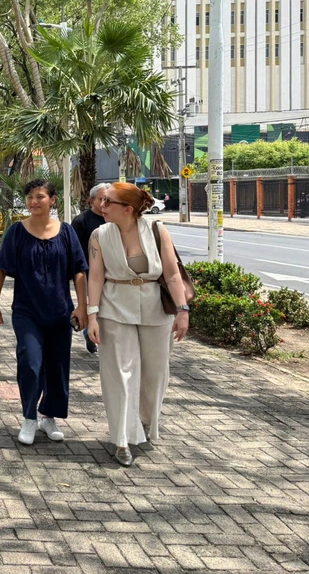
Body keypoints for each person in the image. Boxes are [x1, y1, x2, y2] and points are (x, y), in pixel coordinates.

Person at [86, 182, 189, 467]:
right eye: (101, 202)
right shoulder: (99, 235)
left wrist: (183, 310)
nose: (101, 206)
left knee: (155, 374)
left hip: (156, 309)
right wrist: (92, 315)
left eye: (108, 203)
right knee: (120, 374)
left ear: (128, 209)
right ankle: (121, 438)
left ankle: (143, 422)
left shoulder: (157, 230)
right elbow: (95, 278)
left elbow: (171, 274)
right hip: (115, 308)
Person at [0, 179, 87, 446]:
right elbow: (0, 269)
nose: (34, 202)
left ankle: (49, 417)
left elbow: (79, 270)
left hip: (60, 312)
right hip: (26, 311)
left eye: (40, 196)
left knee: (57, 367)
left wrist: (82, 306)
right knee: (30, 363)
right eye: (30, 197)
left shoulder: (66, 233)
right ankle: (29, 417)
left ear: (52, 200)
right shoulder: (16, 232)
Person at [70, 183, 111, 354]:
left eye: (108, 200)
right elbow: (73, 251)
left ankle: (95, 332)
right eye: (101, 199)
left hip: (113, 273)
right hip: (89, 274)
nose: (104, 204)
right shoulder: (81, 221)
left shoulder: (113, 218)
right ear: (91, 201)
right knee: (94, 303)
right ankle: (89, 331)